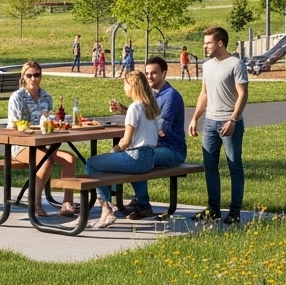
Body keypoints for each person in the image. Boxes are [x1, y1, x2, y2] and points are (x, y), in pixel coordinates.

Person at [111, 56, 186, 219]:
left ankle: (142, 203)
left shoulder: (171, 96)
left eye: (154, 73)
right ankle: (139, 200)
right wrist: (125, 110)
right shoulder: (149, 94)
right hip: (153, 147)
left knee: (135, 157)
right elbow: (147, 119)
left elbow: (160, 129)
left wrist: (134, 124)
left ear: (164, 73)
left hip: (172, 150)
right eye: (147, 73)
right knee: (136, 154)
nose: (150, 77)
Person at [187, 26, 248, 224]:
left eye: (208, 43)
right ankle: (213, 210)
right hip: (210, 122)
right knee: (210, 167)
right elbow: (204, 94)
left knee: (234, 166)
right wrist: (195, 118)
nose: (205, 46)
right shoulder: (207, 66)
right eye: (204, 43)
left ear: (220, 43)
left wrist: (232, 119)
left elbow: (243, 94)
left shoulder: (235, 64)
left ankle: (234, 211)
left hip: (229, 123)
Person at [86, 71, 160, 229]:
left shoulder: (135, 107)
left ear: (132, 86)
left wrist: (113, 151)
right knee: (108, 165)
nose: (124, 88)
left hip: (136, 157)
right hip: (149, 159)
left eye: (125, 84)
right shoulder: (150, 107)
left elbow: (126, 141)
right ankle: (142, 203)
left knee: (92, 163)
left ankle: (106, 210)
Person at [7, 61, 71, 216]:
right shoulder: (17, 97)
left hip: (41, 144)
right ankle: (35, 203)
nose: (33, 79)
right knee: (47, 161)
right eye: (29, 75)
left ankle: (67, 204)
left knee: (70, 159)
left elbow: (47, 121)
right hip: (19, 144)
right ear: (23, 77)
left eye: (37, 75)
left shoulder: (46, 97)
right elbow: (17, 126)